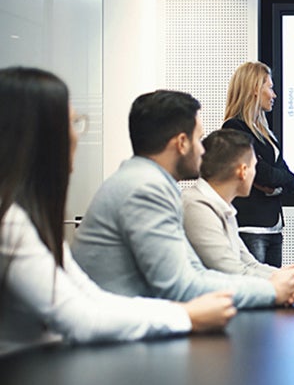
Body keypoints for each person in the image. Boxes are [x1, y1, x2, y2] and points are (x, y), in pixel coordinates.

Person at [0, 66, 235, 345]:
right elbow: (80, 319)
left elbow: (92, 297)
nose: (77, 136)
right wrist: (186, 316)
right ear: (41, 137)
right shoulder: (10, 222)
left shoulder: (28, 216)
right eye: (73, 124)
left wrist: (183, 313)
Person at [71, 90, 294, 309]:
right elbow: (181, 287)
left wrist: (279, 282)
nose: (204, 151)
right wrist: (272, 290)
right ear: (182, 143)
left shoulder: (150, 183)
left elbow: (194, 273)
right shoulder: (146, 190)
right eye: (199, 140)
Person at [182, 128, 294, 291]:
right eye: (254, 167)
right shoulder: (196, 206)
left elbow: (250, 265)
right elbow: (233, 272)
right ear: (243, 171)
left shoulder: (224, 208)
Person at [222, 62, 294, 268]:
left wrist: (275, 185)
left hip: (274, 227)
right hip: (251, 228)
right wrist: (273, 179)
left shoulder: (265, 132)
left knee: (275, 291)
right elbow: (261, 174)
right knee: (257, 291)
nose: (274, 95)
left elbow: (290, 178)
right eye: (270, 88)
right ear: (255, 89)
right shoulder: (234, 128)